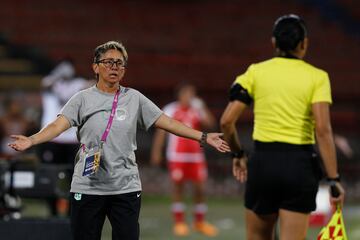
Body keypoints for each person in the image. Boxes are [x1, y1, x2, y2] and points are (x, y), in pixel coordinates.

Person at [8, 40, 230, 240]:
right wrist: (32, 140)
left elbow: (168, 122)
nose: (114, 67)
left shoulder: (134, 98)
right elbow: (58, 126)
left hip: (125, 187)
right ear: (95, 67)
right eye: (108, 62)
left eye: (119, 63)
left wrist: (203, 136)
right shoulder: (82, 99)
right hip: (88, 187)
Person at [220, 15, 345, 240]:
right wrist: (333, 180)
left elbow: (226, 121)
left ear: (273, 43)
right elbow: (323, 131)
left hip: (263, 164)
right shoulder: (317, 77)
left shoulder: (255, 72)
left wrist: (238, 153)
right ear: (304, 43)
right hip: (299, 166)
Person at [150, 83, 218, 237]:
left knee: (200, 189)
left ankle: (199, 222)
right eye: (187, 94)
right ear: (180, 95)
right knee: (178, 188)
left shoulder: (197, 109)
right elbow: (161, 132)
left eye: (192, 94)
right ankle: (179, 222)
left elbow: (211, 124)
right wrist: (156, 152)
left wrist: (202, 107)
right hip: (176, 155)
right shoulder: (170, 109)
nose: (190, 97)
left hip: (196, 156)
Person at [39, 59, 91, 216]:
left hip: (72, 139)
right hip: (51, 139)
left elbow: (92, 85)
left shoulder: (79, 84)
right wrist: (57, 75)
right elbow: (44, 85)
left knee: (74, 178)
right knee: (50, 177)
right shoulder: (50, 82)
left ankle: (70, 212)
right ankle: (52, 211)